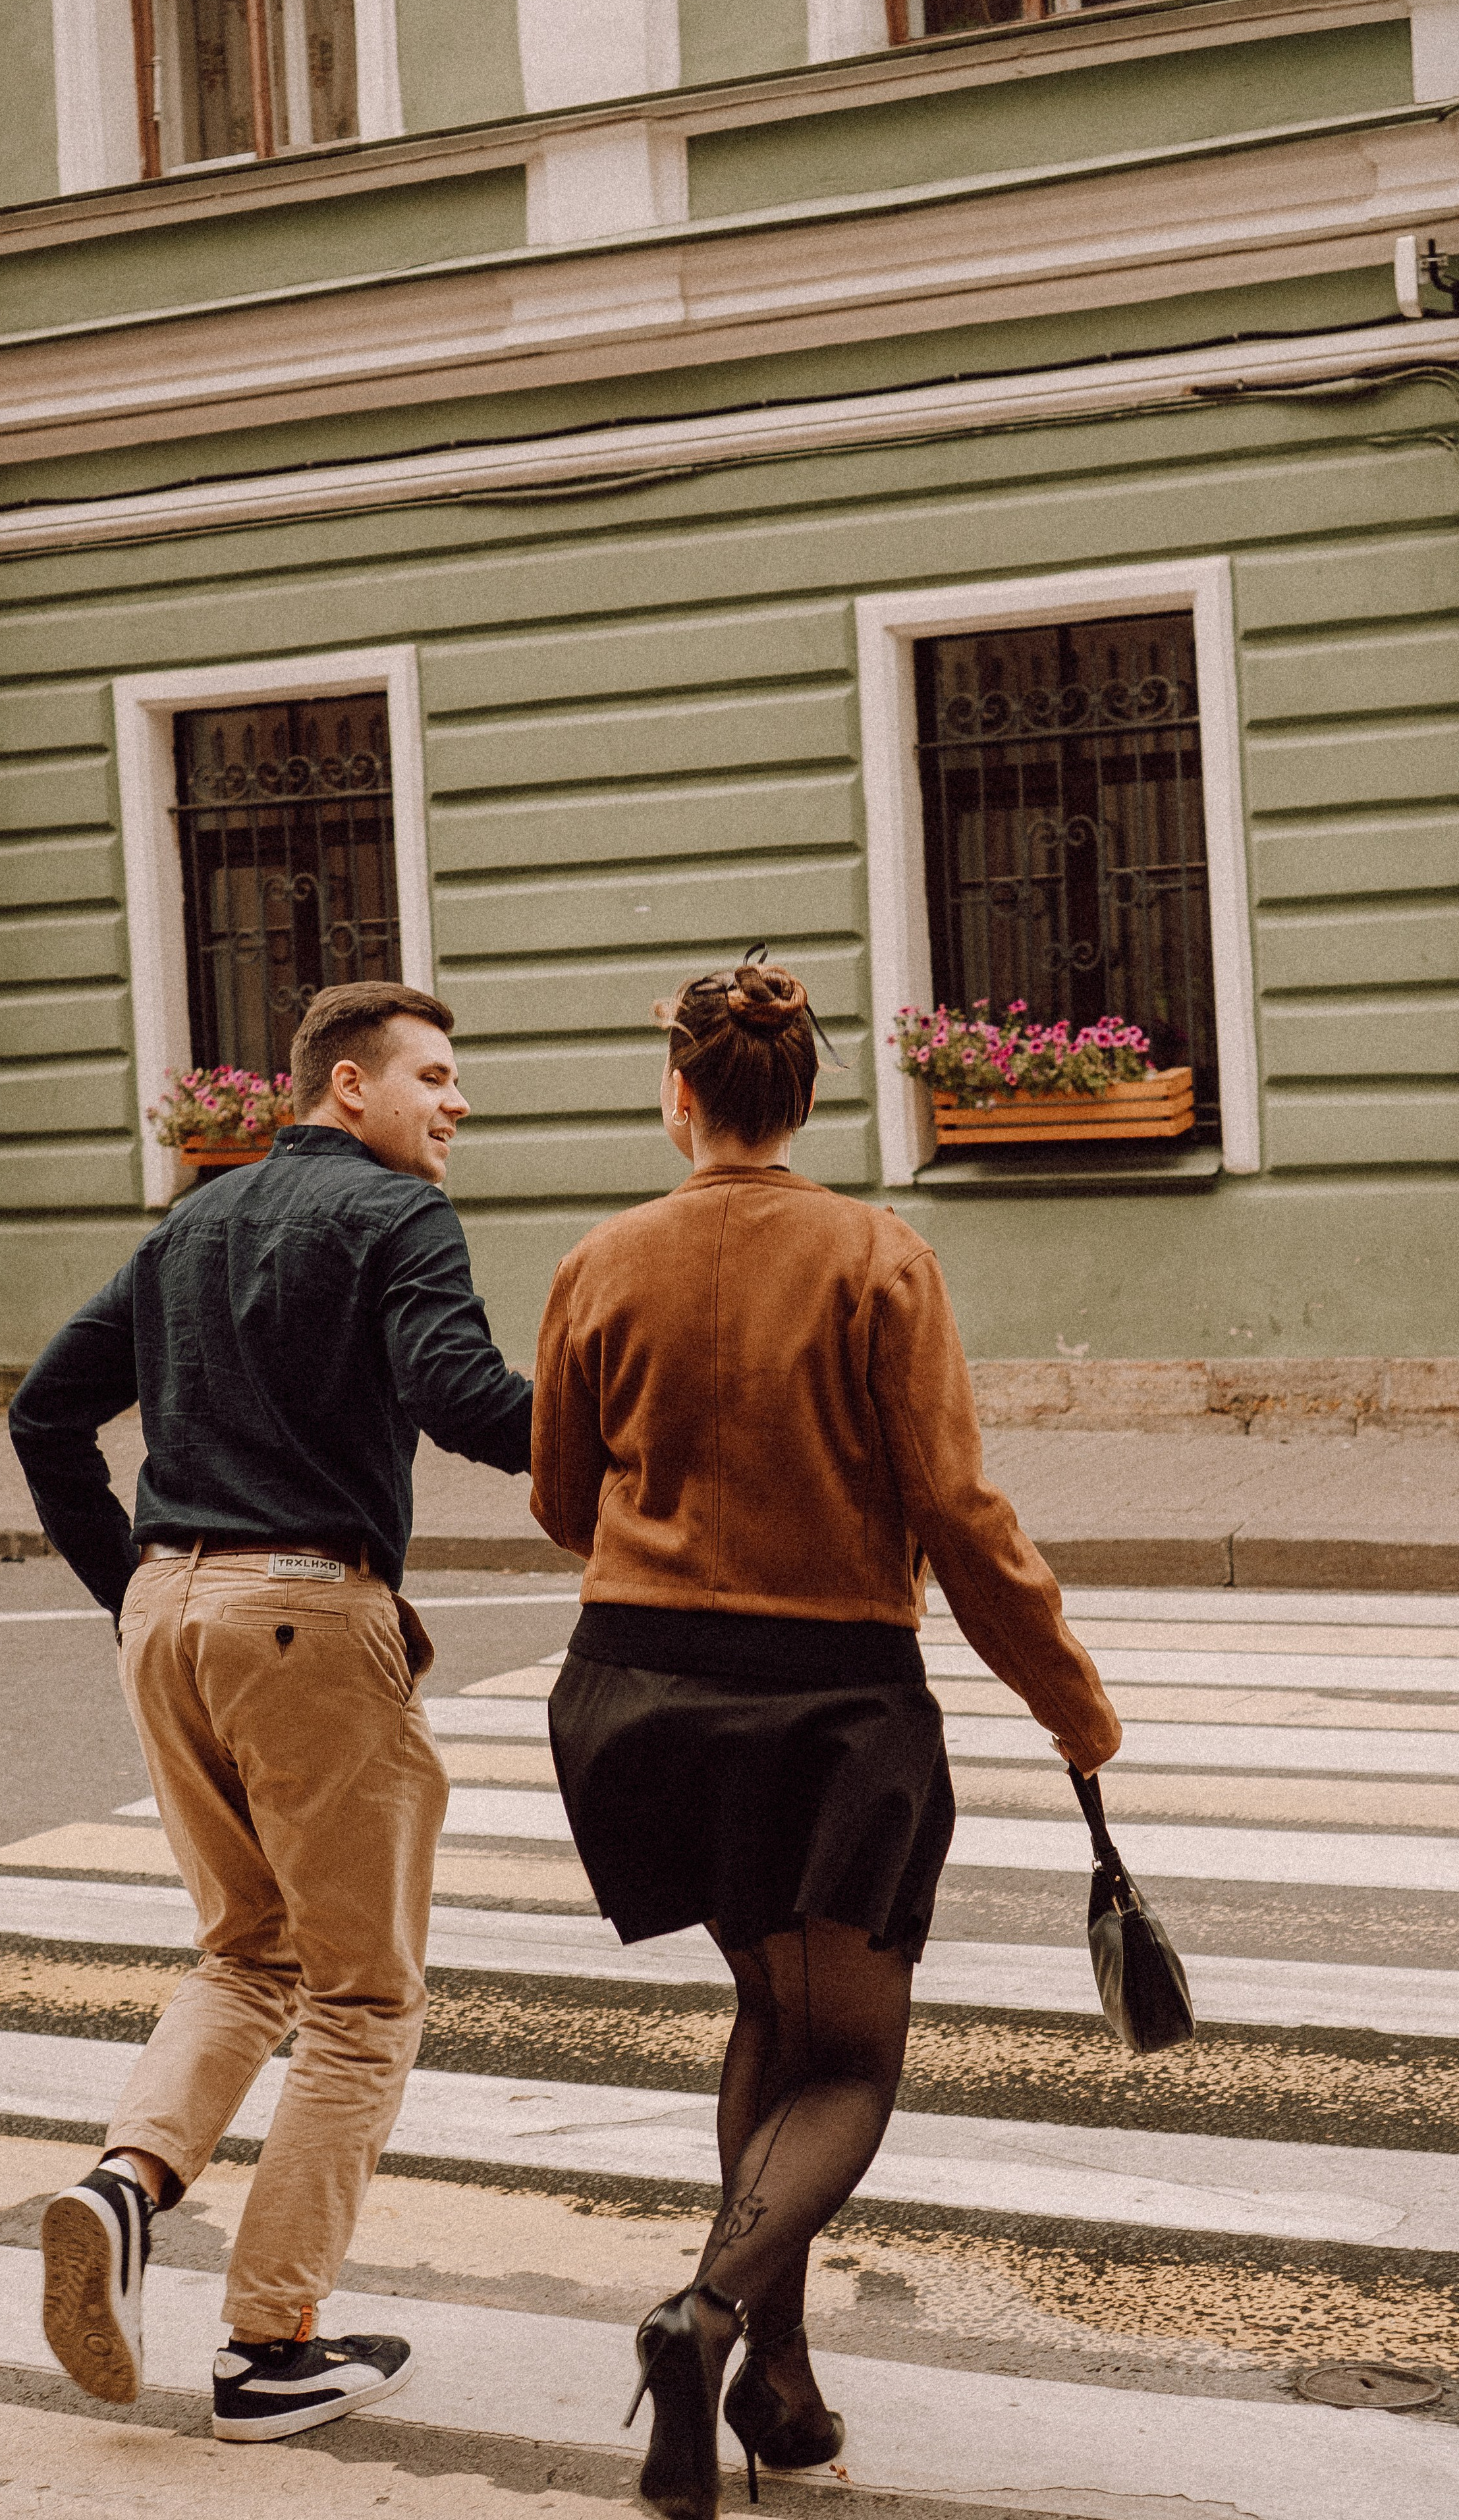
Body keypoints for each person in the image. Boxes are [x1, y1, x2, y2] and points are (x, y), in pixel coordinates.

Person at [531, 955, 1120, 2519]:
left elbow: (555, 1501)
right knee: (848, 2058)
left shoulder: (598, 1260)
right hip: (827, 1706)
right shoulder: (877, 1255)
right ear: (808, 1096)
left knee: (766, 2020)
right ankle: (702, 2319)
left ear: (677, 1097)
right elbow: (956, 1511)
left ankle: (779, 2398)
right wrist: (1068, 1700)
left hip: (637, 1694)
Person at [9, 979, 531, 2442]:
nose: (458, 1102)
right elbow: (463, 1396)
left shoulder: (192, 1223)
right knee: (362, 2002)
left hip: (169, 1613)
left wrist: (130, 1588)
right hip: (304, 1611)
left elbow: (46, 1412)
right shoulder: (396, 1215)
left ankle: (124, 2188)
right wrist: (632, 1431)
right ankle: (268, 2347)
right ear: (347, 1088)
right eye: (434, 1076)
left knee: (247, 1952)